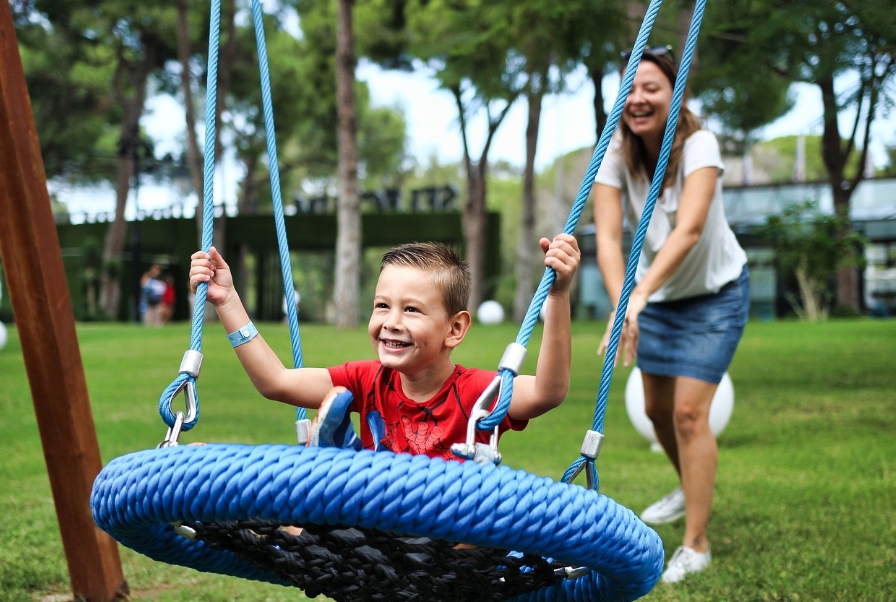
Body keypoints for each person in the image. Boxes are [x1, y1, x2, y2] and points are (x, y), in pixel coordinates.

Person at [188, 236, 580, 460]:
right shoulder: (364, 381)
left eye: (411, 310)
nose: (391, 322)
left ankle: (336, 460)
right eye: (381, 306)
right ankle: (223, 481)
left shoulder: (478, 394)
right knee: (297, 514)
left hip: (448, 543)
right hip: (377, 538)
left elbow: (547, 393)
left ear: (455, 329)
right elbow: (275, 382)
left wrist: (558, 296)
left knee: (481, 517)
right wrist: (228, 302)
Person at [592, 46, 749, 584]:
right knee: (658, 413)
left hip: (715, 295)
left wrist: (638, 296)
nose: (638, 99)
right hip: (655, 299)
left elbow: (689, 230)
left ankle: (697, 543)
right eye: (630, 89)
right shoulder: (615, 151)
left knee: (687, 414)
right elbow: (609, 238)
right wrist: (623, 306)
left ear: (675, 94)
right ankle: (690, 485)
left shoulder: (700, 144)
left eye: (651, 88)